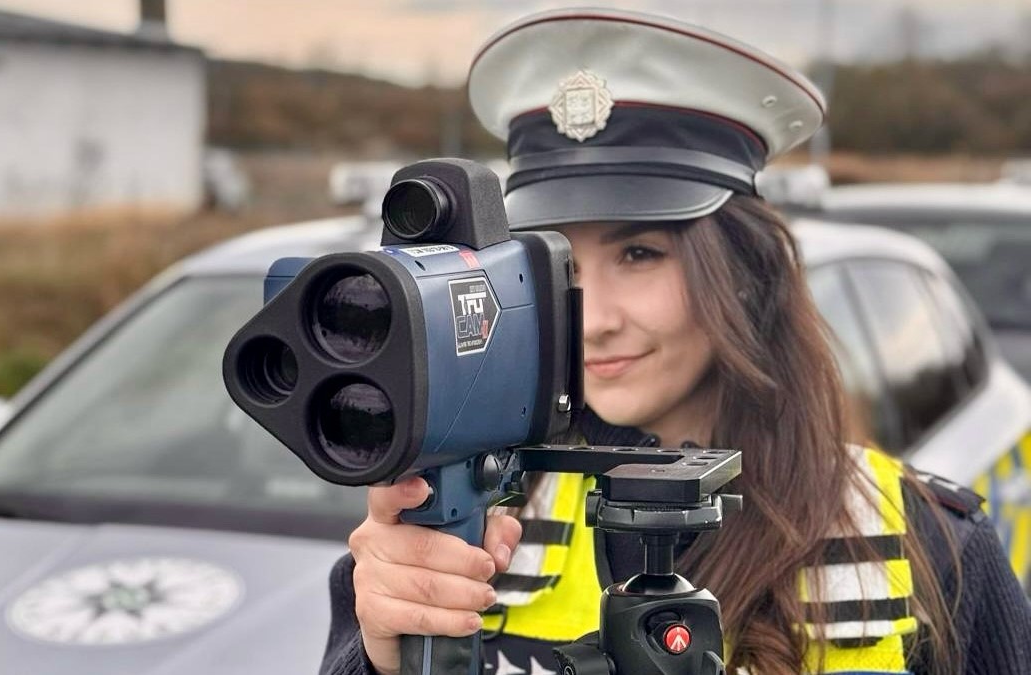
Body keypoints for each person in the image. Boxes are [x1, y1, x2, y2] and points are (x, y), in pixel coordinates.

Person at [320, 9, 1031, 675]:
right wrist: (388, 654)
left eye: (640, 254)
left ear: (745, 274)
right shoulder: (453, 533)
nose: (591, 319)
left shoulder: (934, 547)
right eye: (558, 262)